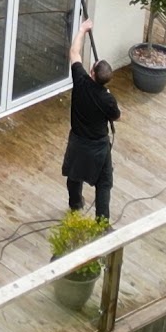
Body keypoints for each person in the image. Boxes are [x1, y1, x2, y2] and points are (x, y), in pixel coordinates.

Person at [62, 17, 119, 220]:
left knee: (74, 174)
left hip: (78, 140)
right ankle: (102, 221)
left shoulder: (81, 82)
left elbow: (74, 52)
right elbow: (116, 117)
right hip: (98, 145)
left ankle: (75, 203)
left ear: (92, 72)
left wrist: (83, 29)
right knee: (104, 182)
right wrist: (108, 96)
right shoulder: (108, 99)